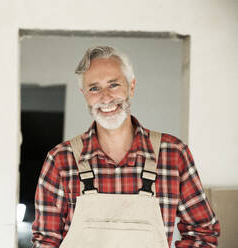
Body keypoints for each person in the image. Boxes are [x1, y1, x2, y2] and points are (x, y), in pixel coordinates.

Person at [32, 46, 220, 248]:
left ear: (131, 86)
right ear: (84, 94)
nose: (105, 98)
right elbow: (45, 242)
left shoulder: (173, 154)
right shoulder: (61, 160)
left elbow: (202, 233)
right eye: (94, 88)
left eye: (113, 85)